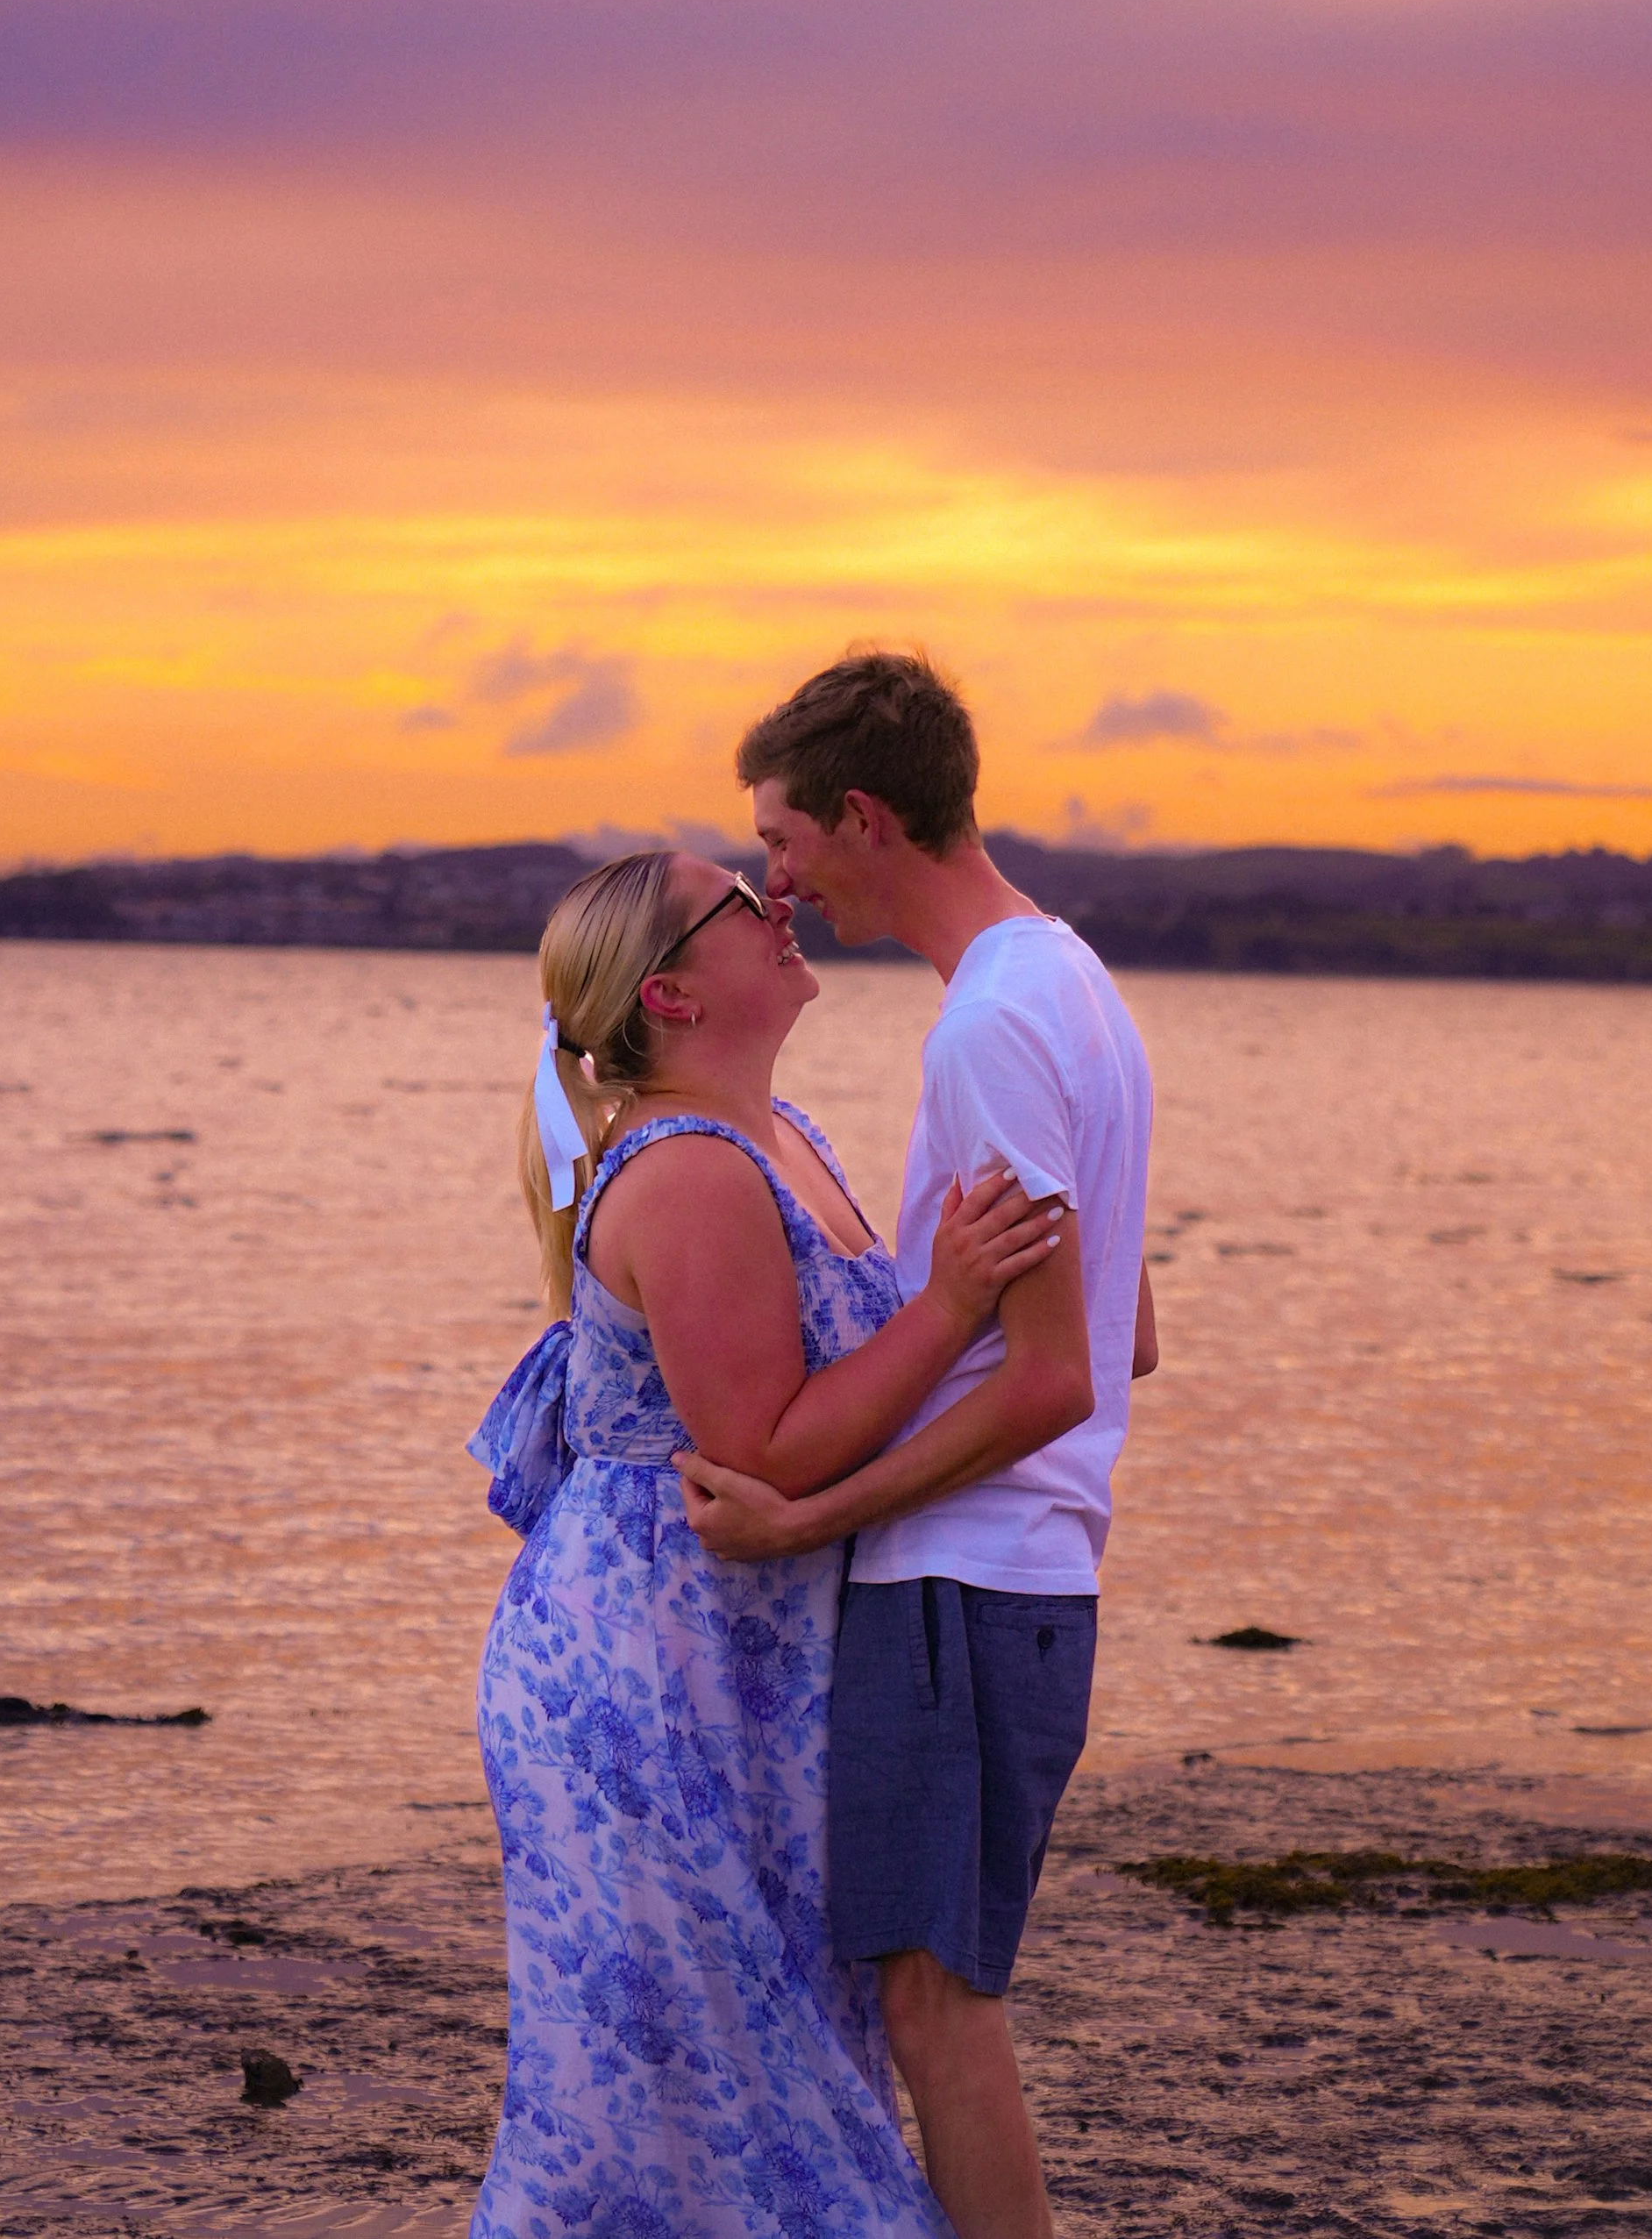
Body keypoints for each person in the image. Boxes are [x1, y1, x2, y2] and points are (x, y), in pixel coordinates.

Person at [467, 845, 1059, 2239]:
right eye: (742, 895)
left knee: (766, 2041)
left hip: (741, 1662)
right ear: (671, 994)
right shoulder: (686, 1174)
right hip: (645, 1677)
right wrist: (957, 1301)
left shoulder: (781, 1135)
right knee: (678, 2074)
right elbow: (766, 1449)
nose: (776, 898)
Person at [679, 653, 1157, 2239]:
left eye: (785, 839)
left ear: (863, 815)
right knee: (935, 2003)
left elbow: (1057, 1378)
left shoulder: (990, 1028)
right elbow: (1125, 1317)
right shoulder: (1065, 980)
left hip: (964, 1588)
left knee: (936, 2018)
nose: (777, 880)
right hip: (1011, 1588)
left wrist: (811, 1520)